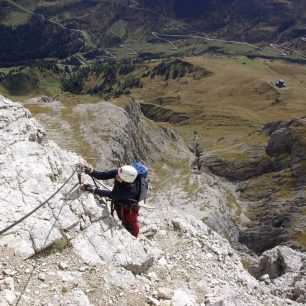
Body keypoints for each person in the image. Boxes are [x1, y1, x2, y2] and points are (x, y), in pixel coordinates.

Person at [81, 165, 140, 238]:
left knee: (131, 226)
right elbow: (103, 175)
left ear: (126, 180)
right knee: (124, 221)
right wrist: (91, 171)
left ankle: (134, 239)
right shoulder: (121, 172)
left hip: (129, 210)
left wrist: (94, 190)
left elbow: (112, 195)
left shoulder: (131, 190)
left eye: (119, 176)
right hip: (119, 205)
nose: (117, 175)